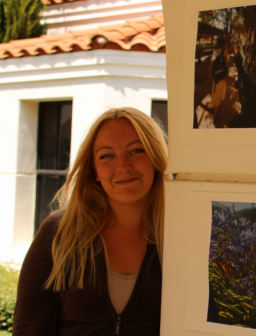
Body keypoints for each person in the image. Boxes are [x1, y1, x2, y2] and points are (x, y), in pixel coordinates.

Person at [12, 107, 168, 335]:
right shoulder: (58, 233)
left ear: (155, 158)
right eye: (106, 155)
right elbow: (29, 328)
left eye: (136, 150)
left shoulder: (181, 234)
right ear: (94, 170)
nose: (123, 166)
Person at [209, 36, 229, 116]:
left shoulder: (215, 51)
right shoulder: (225, 51)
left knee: (215, 92)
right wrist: (228, 75)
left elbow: (210, 67)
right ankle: (216, 111)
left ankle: (215, 107)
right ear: (223, 43)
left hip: (215, 77)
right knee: (219, 92)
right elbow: (227, 65)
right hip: (222, 77)